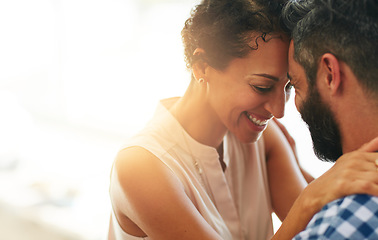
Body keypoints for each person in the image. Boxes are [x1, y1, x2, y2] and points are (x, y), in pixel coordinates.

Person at [108, 0, 378, 239]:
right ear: (201, 65)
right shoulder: (140, 165)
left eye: (287, 87)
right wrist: (308, 199)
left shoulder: (263, 138)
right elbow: (311, 207)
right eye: (262, 87)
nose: (278, 110)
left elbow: (321, 223)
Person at [281, 0, 378, 239]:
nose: (281, 111)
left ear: (330, 74)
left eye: (295, 85)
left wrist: (307, 200)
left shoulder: (340, 225)